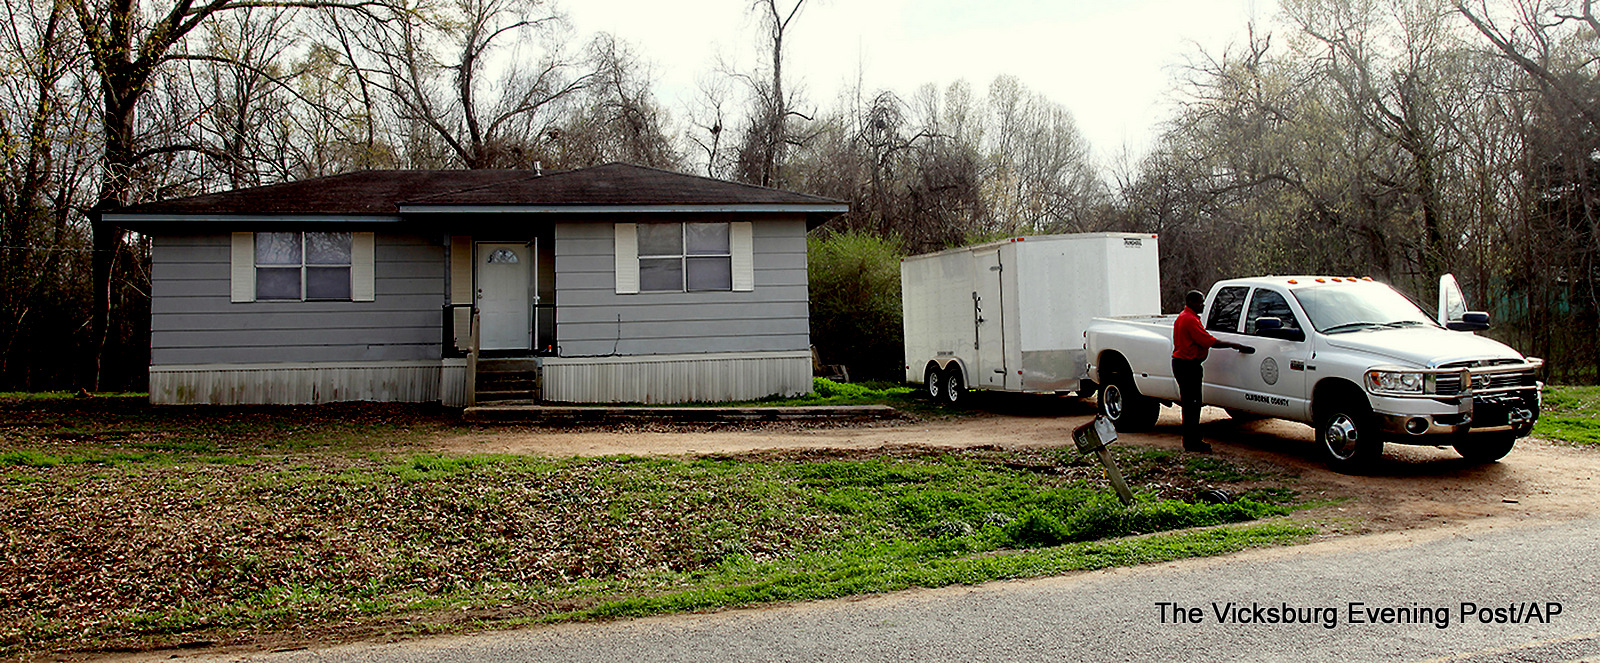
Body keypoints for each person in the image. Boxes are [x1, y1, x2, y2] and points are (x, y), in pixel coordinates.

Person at [1172, 290, 1254, 453]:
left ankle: (1191, 441)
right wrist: (1235, 345)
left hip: (1183, 364)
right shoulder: (1189, 320)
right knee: (1193, 405)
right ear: (1193, 303)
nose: (1203, 305)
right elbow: (1209, 341)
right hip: (1188, 366)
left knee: (1190, 405)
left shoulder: (1184, 317)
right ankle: (1192, 442)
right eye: (1200, 302)